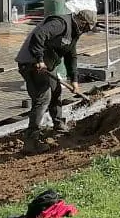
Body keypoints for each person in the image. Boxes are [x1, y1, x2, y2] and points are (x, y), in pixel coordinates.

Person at [16, 9, 98, 153]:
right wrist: (39, 59)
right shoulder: (60, 23)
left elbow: (71, 55)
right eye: (86, 28)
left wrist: (74, 80)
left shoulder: (74, 32)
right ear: (82, 22)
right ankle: (31, 141)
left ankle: (58, 124)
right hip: (31, 63)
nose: (85, 31)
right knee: (43, 98)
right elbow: (38, 35)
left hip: (47, 64)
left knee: (56, 90)